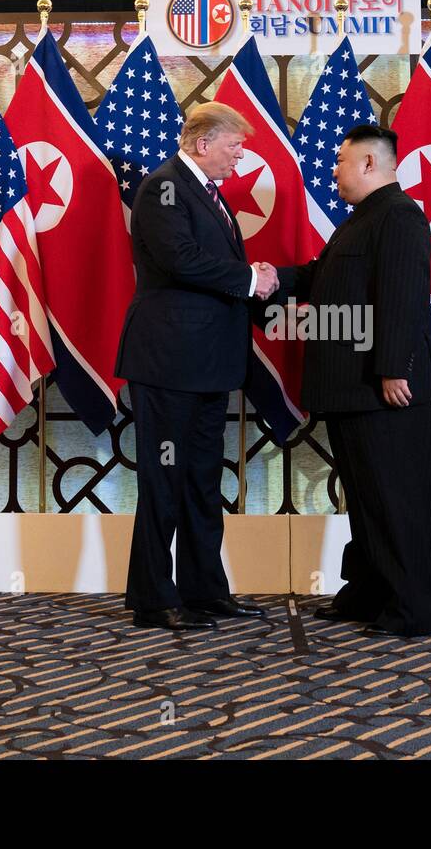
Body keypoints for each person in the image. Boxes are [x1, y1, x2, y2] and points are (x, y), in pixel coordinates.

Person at [272, 124, 431, 638]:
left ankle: (415, 610)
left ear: (370, 164)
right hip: (352, 389)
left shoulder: (398, 215)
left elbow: (403, 295)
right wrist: (270, 278)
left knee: (395, 500)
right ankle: (371, 594)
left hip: (382, 389)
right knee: (369, 499)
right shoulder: (361, 219)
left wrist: (393, 367)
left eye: (341, 161)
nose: (334, 170)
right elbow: (318, 276)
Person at [114, 102, 279, 631]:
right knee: (165, 479)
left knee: (203, 480)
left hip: (207, 365)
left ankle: (205, 590)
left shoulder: (209, 195)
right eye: (235, 146)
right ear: (202, 143)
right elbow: (181, 259)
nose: (240, 156)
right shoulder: (162, 188)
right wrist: (251, 280)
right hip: (169, 364)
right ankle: (154, 599)